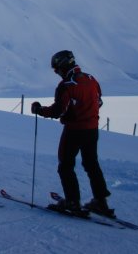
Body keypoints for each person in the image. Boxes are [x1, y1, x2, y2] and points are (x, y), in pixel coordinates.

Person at [31, 50, 114, 217]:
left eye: (56, 70)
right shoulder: (91, 79)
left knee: (66, 165)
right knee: (92, 164)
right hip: (92, 129)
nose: (56, 73)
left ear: (62, 67)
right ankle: (101, 202)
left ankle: (72, 202)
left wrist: (39, 110)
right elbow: (99, 101)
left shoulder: (67, 85)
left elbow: (58, 111)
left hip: (74, 130)